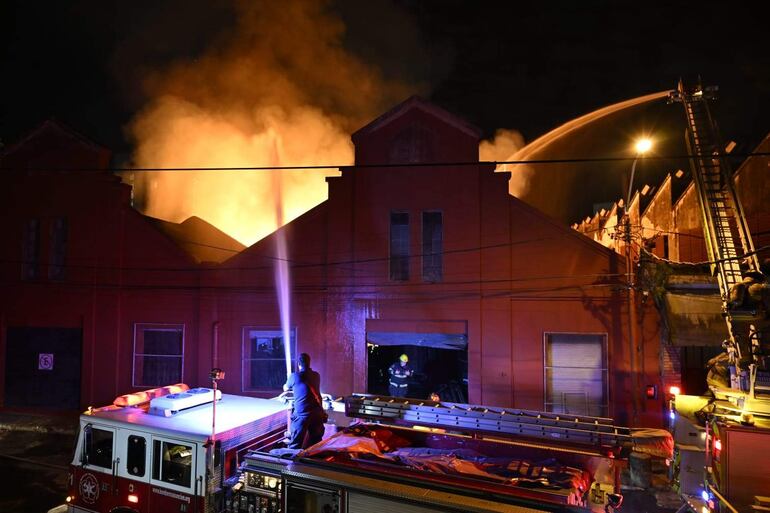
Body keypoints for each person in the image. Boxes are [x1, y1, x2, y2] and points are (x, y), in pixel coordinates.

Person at [283, 353, 325, 449]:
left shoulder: (294, 376)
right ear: (309, 363)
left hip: (302, 415)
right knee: (316, 443)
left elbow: (285, 388)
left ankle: (292, 462)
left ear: (299, 364)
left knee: (295, 444)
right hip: (316, 413)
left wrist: (289, 379)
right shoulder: (316, 375)